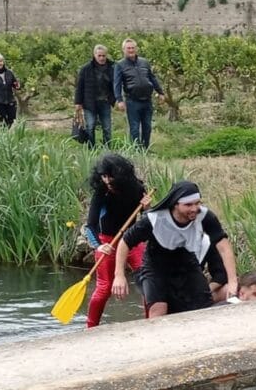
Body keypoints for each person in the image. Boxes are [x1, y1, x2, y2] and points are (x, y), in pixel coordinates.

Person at [113, 180, 238, 317]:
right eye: (188, 205)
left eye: (197, 203)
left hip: (187, 264)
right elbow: (125, 242)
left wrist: (232, 282)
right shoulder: (154, 219)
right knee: (159, 309)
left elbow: (224, 247)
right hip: (155, 266)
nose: (194, 209)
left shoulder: (205, 216)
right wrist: (119, 275)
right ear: (175, 204)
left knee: (201, 308)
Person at [82, 153, 152, 328]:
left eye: (109, 176)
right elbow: (90, 225)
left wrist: (147, 208)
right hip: (107, 241)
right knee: (104, 288)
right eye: (103, 176)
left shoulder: (137, 189)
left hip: (132, 240)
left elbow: (147, 221)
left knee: (148, 280)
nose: (106, 180)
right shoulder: (101, 192)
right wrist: (99, 246)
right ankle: (90, 328)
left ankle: (152, 320)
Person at [113, 38, 165, 149]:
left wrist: (160, 92)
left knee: (147, 127)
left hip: (147, 100)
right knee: (135, 128)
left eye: (133, 48)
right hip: (132, 101)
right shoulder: (120, 65)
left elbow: (152, 78)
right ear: (123, 50)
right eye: (128, 48)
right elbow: (117, 83)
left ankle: (145, 149)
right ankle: (136, 150)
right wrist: (119, 100)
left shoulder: (144, 62)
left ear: (136, 49)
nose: (131, 50)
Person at [74, 44, 116, 146]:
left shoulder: (112, 67)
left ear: (106, 55)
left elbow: (115, 84)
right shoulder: (86, 68)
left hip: (105, 101)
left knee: (107, 127)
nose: (101, 58)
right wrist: (78, 102)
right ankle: (91, 148)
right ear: (94, 55)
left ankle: (108, 148)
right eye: (99, 56)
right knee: (90, 126)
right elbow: (79, 86)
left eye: (103, 56)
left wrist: (116, 99)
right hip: (89, 102)